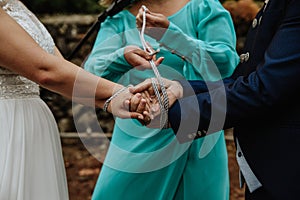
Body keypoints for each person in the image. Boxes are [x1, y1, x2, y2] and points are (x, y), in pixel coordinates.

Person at [131, 0, 300, 199]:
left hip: (286, 172)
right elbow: (244, 80)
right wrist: (182, 89)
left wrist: (176, 112)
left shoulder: (205, 7)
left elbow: (262, 86)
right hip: (269, 171)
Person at [84, 0, 239, 199]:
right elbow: (90, 78)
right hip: (137, 139)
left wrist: (173, 38)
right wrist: (122, 57)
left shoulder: (204, 7)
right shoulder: (117, 20)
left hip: (197, 135)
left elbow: (227, 66)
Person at [0, 1, 147, 199]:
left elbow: (61, 68)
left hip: (32, 129)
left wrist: (113, 94)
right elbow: (45, 71)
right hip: (7, 128)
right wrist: (115, 93)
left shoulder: (15, 4)